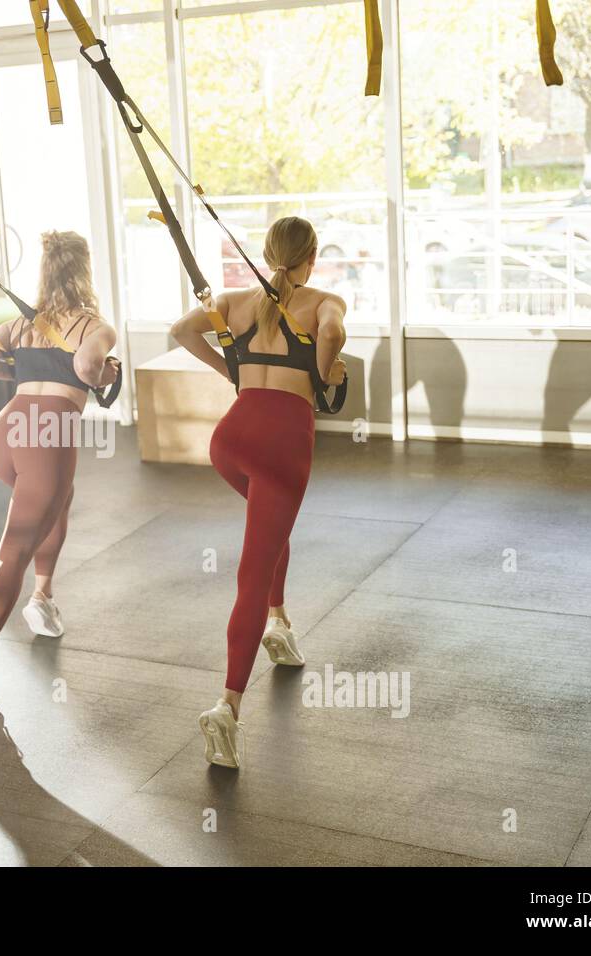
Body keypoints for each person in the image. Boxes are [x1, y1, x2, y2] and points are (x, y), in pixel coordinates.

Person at [170, 216, 347, 769]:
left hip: (232, 439)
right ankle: (227, 706)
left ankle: (280, 622)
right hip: (281, 446)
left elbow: (180, 330)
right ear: (310, 258)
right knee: (253, 565)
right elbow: (335, 336)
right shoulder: (323, 301)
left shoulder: (235, 301)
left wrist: (232, 369)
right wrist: (322, 372)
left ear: (270, 255)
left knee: (270, 532)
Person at [0, 230, 118, 715]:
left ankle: (42, 597)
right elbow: (87, 366)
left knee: (57, 501)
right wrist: (102, 374)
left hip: (6, 433)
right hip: (47, 437)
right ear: (85, 269)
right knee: (13, 553)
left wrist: (19, 375)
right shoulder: (95, 326)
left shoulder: (23, 322)